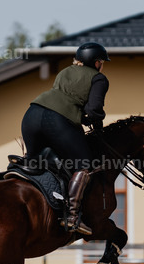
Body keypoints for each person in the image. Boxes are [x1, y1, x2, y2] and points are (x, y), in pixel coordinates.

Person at [20, 42, 110, 235]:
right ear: (96, 62)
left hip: (31, 116)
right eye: (101, 62)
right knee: (84, 165)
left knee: (35, 160)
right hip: (57, 121)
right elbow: (94, 110)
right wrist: (96, 123)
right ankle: (71, 217)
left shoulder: (65, 71)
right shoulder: (99, 79)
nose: (102, 65)